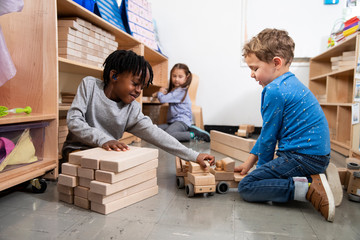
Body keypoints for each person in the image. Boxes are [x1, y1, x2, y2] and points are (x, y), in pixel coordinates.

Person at [236, 28, 339, 222]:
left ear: (276, 62)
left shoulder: (273, 91)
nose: (251, 74)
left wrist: (260, 173)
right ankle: (318, 175)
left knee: (247, 187)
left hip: (302, 157)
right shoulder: (290, 82)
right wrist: (249, 162)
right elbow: (268, 132)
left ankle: (310, 187)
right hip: (317, 156)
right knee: (270, 184)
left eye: (255, 68)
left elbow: (268, 138)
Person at [61, 50, 214, 170]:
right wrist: (104, 139)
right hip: (77, 151)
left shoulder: (131, 108)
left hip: (107, 157)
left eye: (142, 87)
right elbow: (74, 121)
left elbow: (157, 135)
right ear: (114, 76)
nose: (138, 91)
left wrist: (194, 155)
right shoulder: (89, 86)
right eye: (135, 84)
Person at [155, 63, 210, 142]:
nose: (176, 79)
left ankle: (193, 134)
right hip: (173, 122)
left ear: (186, 78)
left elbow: (163, 99)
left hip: (182, 121)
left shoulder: (180, 91)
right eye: (174, 76)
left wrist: (160, 92)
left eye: (180, 77)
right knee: (154, 129)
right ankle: (183, 132)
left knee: (168, 135)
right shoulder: (175, 89)